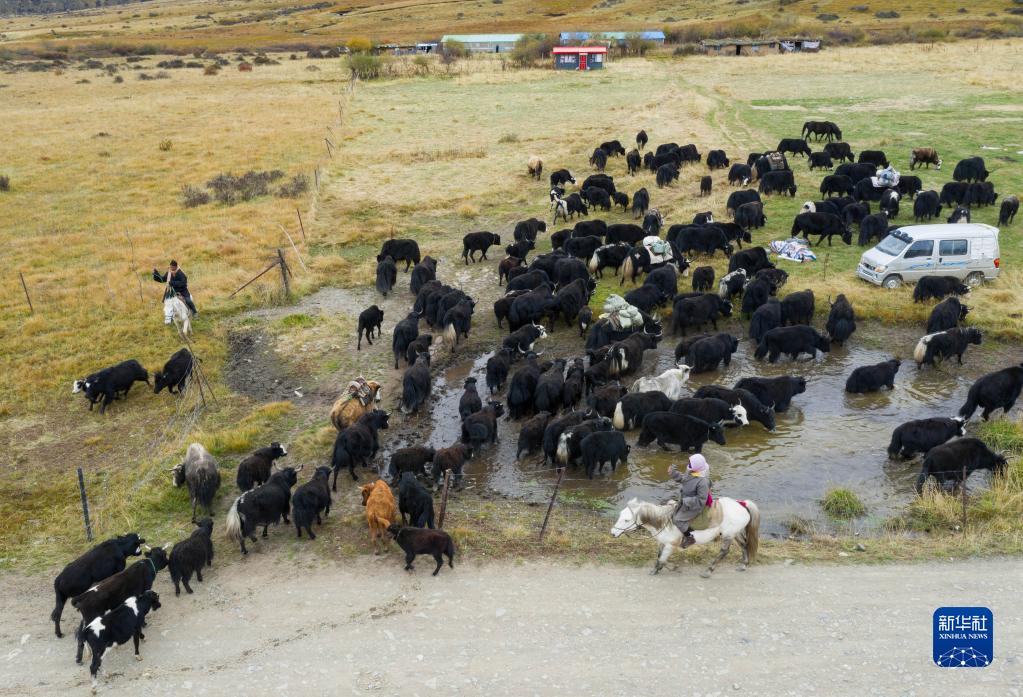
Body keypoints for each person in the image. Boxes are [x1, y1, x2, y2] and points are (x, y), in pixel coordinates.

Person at [669, 454, 711, 548]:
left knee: (677, 520)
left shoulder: (702, 482)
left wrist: (685, 501)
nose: (688, 463)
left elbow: (701, 500)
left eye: (690, 462)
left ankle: (690, 537)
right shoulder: (692, 471)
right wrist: (674, 473)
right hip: (685, 500)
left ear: (696, 466)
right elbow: (684, 479)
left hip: (694, 505)